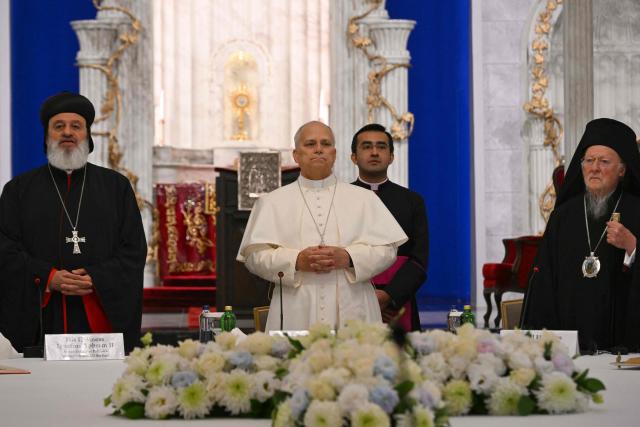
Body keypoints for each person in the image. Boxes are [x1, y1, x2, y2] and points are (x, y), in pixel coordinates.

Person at [0, 92, 147, 353]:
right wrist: (47, 276)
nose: (67, 132)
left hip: (98, 319)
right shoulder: (19, 190)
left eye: (76, 126)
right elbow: (5, 249)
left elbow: (133, 251)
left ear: (87, 136)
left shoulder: (116, 187)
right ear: (47, 137)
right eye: (59, 126)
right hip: (41, 319)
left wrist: (96, 277)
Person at [237, 121, 407, 331]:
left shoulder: (364, 199)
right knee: (293, 362)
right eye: (310, 144)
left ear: (334, 154)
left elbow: (387, 249)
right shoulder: (271, 202)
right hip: (295, 306)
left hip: (354, 304)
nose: (318, 149)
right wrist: (296, 260)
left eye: (325, 144)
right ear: (296, 155)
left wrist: (349, 258)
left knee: (356, 361)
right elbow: (254, 256)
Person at [521, 118, 640, 353]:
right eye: (588, 160)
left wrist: (633, 246)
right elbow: (544, 279)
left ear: (622, 170)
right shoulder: (563, 216)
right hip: (568, 344)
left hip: (624, 343)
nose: (594, 168)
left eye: (604, 161)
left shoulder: (637, 210)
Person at [350, 123, 429, 331]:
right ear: (354, 157)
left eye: (381, 147)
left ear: (392, 157)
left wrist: (389, 296)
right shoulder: (339, 198)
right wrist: (366, 298)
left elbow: (419, 260)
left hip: (399, 301)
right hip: (352, 300)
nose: (374, 152)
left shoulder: (412, 201)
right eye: (366, 147)